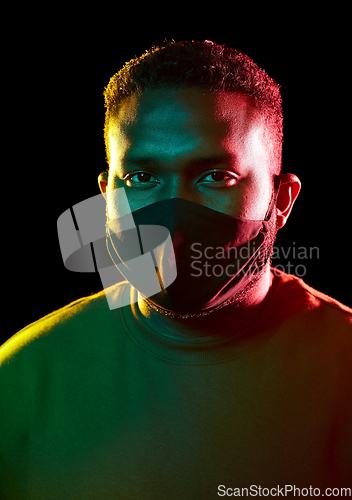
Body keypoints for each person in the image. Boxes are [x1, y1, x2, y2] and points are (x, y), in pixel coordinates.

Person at [1, 40, 351, 499]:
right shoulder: (22, 375)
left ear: (280, 199)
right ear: (107, 195)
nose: (173, 224)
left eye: (216, 177)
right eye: (141, 178)